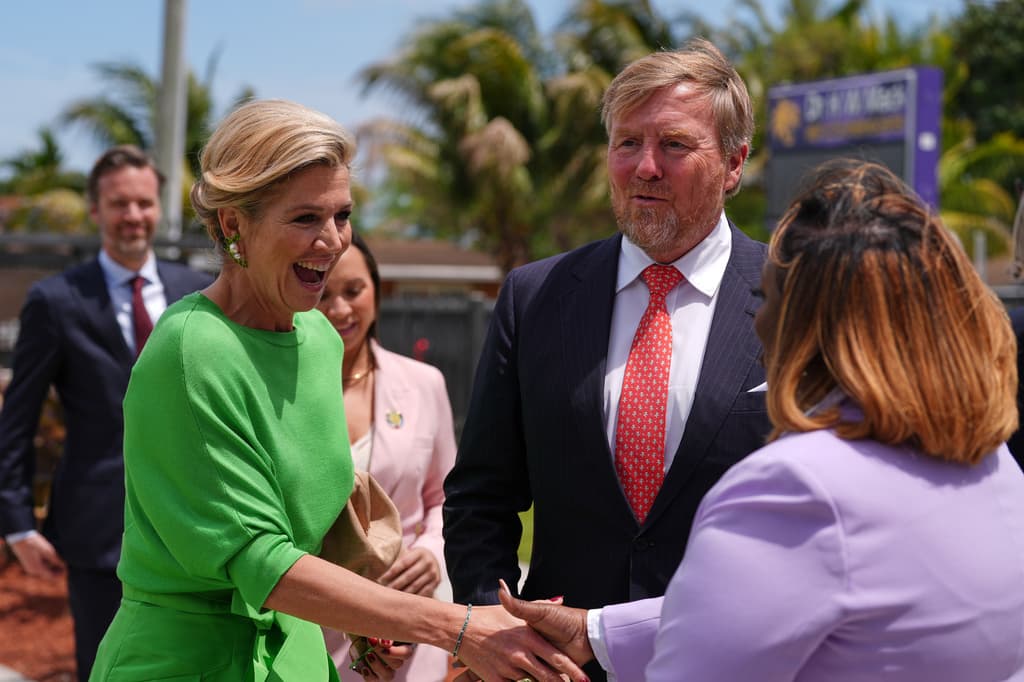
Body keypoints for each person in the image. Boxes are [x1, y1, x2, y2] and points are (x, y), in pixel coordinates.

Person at [88, 99, 587, 682]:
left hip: (299, 657)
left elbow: (318, 522)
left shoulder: (317, 338)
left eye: (342, 215)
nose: (332, 241)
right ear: (232, 225)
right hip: (183, 662)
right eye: (304, 219)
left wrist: (366, 620)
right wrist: (454, 624)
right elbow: (263, 564)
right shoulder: (191, 349)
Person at [500, 159, 1024, 681]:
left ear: (808, 322)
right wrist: (599, 632)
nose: (760, 322)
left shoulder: (795, 485)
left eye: (767, 297)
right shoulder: (991, 464)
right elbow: (842, 589)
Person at [442, 38, 772, 680]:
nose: (645, 167)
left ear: (734, 165)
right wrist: (493, 626)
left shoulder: (800, 298)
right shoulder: (534, 297)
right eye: (627, 144)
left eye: (674, 145)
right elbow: (481, 496)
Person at [0, 144, 213, 678]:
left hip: (201, 525)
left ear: (159, 207)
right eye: (119, 204)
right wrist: (18, 524)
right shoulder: (55, 300)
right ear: (95, 210)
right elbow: (17, 421)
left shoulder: (200, 292)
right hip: (98, 532)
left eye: (143, 203)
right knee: (107, 669)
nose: (133, 216)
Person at [316, 230, 457, 681]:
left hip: (410, 621)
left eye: (353, 291)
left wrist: (433, 553)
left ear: (377, 291)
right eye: (323, 294)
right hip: (316, 623)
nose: (339, 310)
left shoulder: (424, 383)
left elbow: (446, 496)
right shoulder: (279, 393)